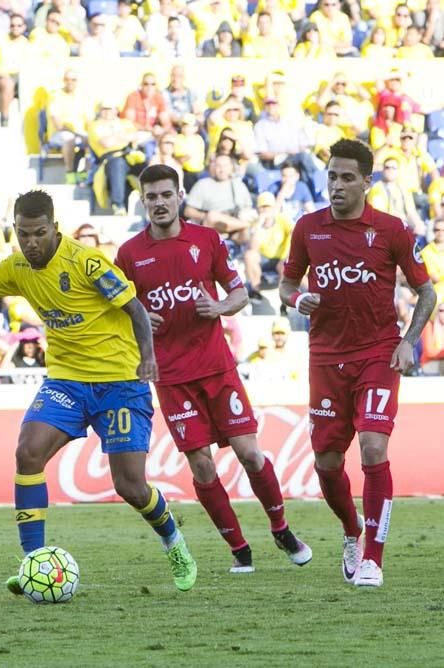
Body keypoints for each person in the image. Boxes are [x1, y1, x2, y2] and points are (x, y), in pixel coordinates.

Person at [0, 189, 198, 594]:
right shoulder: (16, 267)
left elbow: (136, 310)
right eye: (23, 234)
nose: (31, 242)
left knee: (130, 486)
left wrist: (148, 358)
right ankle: (32, 563)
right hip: (67, 382)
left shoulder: (87, 262)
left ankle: (173, 541)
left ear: (54, 229)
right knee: (28, 452)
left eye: (39, 233)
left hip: (120, 383)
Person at [117, 165, 311, 573]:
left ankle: (281, 528)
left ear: (180, 195)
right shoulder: (130, 254)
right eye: (151, 197)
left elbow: (239, 292)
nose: (159, 203)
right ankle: (239, 549)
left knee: (250, 454)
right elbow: (120, 308)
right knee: (201, 464)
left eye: (165, 195)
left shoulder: (206, 241)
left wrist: (219, 306)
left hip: (217, 368)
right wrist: (137, 318)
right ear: (143, 201)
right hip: (172, 377)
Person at [278, 139, 437, 588]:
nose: (337, 185)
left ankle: (373, 558)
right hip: (326, 359)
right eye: (332, 176)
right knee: (327, 463)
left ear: (368, 181)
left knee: (372, 447)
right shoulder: (308, 228)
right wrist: (297, 297)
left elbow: (427, 291)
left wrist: (409, 341)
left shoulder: (392, 230)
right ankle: (351, 530)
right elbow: (286, 284)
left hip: (378, 354)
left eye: (348, 177)